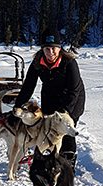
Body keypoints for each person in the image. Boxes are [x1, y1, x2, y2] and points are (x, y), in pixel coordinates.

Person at [13, 29, 85, 170]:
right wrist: (18, 105)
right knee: (47, 129)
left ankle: (67, 164)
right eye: (47, 48)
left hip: (72, 100)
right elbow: (28, 86)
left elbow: (74, 90)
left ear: (59, 48)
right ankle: (49, 159)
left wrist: (65, 111)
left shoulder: (69, 63)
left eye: (54, 48)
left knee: (66, 130)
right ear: (42, 49)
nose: (50, 52)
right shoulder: (37, 62)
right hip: (50, 98)